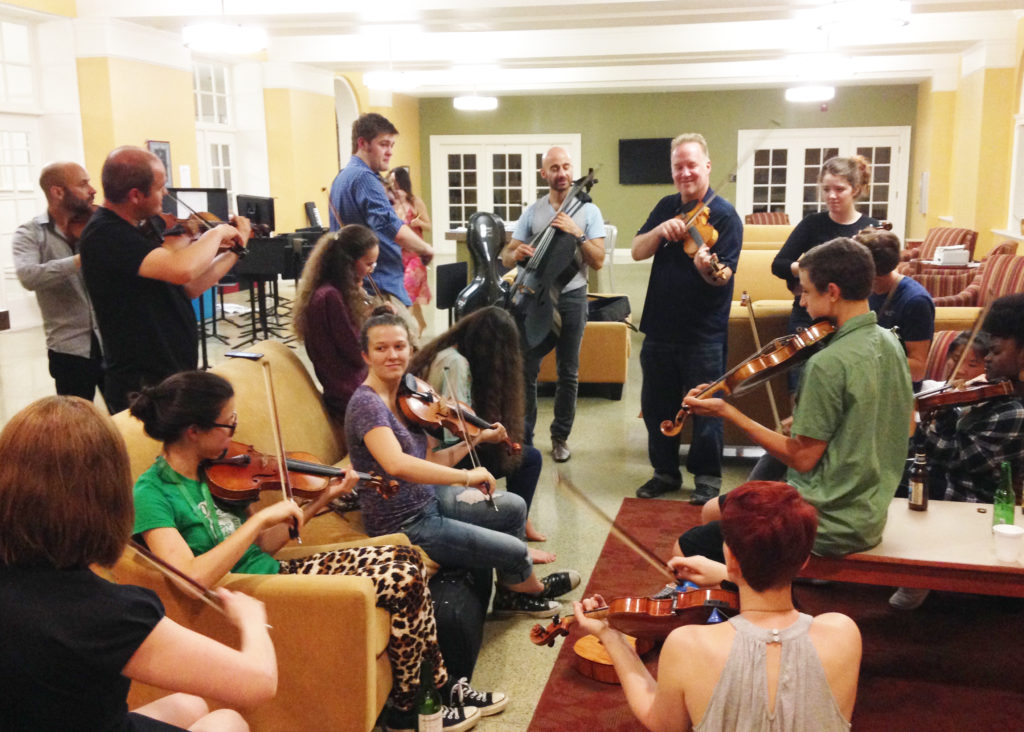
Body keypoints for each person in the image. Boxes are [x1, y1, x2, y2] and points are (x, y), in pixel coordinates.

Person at [129, 370, 498, 731]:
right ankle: (411, 710)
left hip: (275, 571)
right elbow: (189, 578)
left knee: (407, 559)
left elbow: (265, 545)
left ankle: (437, 687)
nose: (235, 432)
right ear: (194, 431)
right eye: (229, 424)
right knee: (400, 577)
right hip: (248, 592)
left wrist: (321, 499)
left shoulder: (219, 471)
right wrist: (258, 521)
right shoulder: (152, 493)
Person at [0, 395, 276, 732]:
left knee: (188, 703)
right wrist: (251, 620)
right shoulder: (106, 612)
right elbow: (260, 683)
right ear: (109, 494)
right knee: (227, 720)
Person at [679, 238, 913, 561]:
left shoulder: (827, 363)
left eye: (806, 291)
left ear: (832, 291)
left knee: (686, 548)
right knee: (711, 510)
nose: (802, 302)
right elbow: (898, 424)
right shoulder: (890, 341)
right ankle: (743, 583)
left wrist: (728, 412)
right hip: (869, 511)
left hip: (826, 520)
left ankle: (753, 586)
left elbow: (802, 459)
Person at [574, 481, 861, 732]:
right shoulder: (843, 633)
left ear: (730, 558)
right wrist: (730, 573)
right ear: (805, 560)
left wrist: (610, 636)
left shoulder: (687, 645)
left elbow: (664, 724)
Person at [345, 312, 581, 617]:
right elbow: (396, 464)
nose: (392, 355)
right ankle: (533, 590)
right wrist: (466, 477)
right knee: (515, 550)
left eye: (399, 346)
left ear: (411, 350)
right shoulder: (367, 405)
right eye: (381, 348)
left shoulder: (405, 396)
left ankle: (511, 591)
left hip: (428, 499)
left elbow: (429, 460)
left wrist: (477, 437)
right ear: (366, 355)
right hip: (404, 523)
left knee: (515, 507)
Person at [79, 146, 249, 413]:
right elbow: (182, 269)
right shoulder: (106, 233)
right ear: (135, 195)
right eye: (160, 187)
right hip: (141, 383)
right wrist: (215, 234)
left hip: (170, 373)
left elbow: (189, 287)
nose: (166, 193)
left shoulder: (138, 229)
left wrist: (237, 250)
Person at [890, 294, 1024, 611]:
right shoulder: (995, 393)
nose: (987, 359)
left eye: (995, 352)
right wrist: (950, 407)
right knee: (889, 470)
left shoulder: (1015, 412)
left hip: (976, 500)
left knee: (896, 479)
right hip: (949, 479)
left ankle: (919, 571)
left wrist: (919, 424)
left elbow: (959, 455)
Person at [630, 133, 742, 505]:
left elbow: (721, 277)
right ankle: (664, 472)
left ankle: (707, 478)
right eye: (678, 166)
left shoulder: (725, 216)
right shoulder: (666, 206)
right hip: (659, 328)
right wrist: (660, 231)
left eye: (691, 165)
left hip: (703, 333)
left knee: (706, 410)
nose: (685, 173)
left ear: (707, 166)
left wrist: (704, 268)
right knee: (657, 407)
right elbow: (636, 250)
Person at [500, 146, 605, 462]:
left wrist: (578, 234)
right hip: (534, 297)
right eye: (554, 168)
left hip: (572, 297)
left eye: (566, 167)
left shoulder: (588, 212)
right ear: (544, 173)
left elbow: (598, 260)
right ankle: (526, 438)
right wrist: (516, 254)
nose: (562, 173)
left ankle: (560, 437)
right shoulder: (533, 212)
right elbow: (506, 256)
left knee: (568, 371)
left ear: (572, 171)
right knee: (527, 370)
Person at [409, 305, 547, 544]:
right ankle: (516, 526)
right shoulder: (456, 364)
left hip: (435, 442)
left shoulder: (446, 350)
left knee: (522, 430)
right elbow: (453, 434)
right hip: (440, 453)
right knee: (531, 459)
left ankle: (521, 518)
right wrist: (485, 435)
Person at [771, 156, 878, 393]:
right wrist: (810, 269)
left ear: (855, 189)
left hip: (849, 322)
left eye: (839, 189)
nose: (831, 195)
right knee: (801, 390)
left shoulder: (871, 227)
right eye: (826, 189)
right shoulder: (812, 224)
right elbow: (778, 264)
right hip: (807, 319)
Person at [328, 113, 433, 335]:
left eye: (392, 145)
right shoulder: (365, 178)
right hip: (377, 286)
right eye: (383, 144)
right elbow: (389, 226)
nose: (390, 152)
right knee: (405, 343)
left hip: (358, 284)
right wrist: (424, 248)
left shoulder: (342, 177)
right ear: (362, 143)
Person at [12, 161, 104, 400]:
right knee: (75, 418)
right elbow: (28, 276)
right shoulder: (30, 233)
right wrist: (80, 259)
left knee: (127, 413)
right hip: (69, 349)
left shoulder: (97, 226)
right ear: (58, 192)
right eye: (83, 184)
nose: (92, 190)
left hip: (111, 342)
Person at [292, 224, 381, 443]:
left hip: (350, 384)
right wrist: (378, 325)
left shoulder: (333, 291)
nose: (372, 269)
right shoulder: (330, 297)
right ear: (349, 262)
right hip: (349, 391)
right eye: (369, 263)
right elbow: (357, 353)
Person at [857, 228, 935, 390]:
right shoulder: (860, 288)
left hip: (895, 389)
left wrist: (862, 359)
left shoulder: (915, 301)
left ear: (871, 273)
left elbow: (918, 370)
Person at [388, 166, 432, 335]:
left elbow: (428, 225)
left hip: (416, 255)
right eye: (390, 183)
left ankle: (406, 329)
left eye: (395, 182)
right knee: (411, 293)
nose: (393, 186)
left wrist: (418, 223)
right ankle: (421, 323)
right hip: (399, 255)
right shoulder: (390, 204)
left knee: (407, 289)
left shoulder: (415, 202)